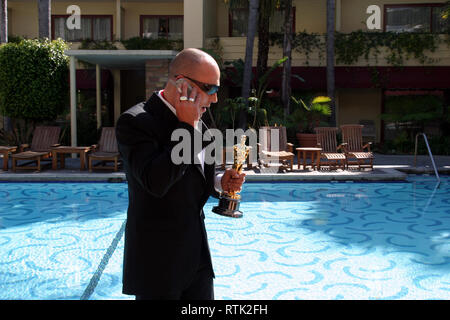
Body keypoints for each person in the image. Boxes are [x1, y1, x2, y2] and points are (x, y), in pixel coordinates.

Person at [115, 48, 246, 300]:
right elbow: (157, 182)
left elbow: (195, 177)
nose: (215, 99)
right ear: (182, 84)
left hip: (197, 258)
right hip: (157, 266)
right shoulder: (135, 121)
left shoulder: (203, 122)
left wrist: (220, 182)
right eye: (210, 89)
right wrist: (186, 127)